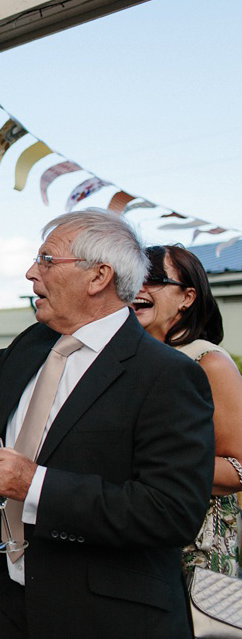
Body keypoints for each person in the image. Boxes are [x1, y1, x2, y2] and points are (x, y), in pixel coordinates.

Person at [0, 209, 215, 638]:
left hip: (106, 618)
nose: (30, 273)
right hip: (14, 602)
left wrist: (35, 484)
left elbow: (171, 512)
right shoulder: (35, 344)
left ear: (98, 277)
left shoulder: (165, 375)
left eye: (47, 260)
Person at [134, 244, 242, 577]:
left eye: (152, 278)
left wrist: (146, 460)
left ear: (187, 297)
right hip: (134, 535)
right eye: (133, 277)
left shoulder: (209, 362)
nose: (138, 287)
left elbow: (238, 467)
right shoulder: (129, 359)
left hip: (194, 550)